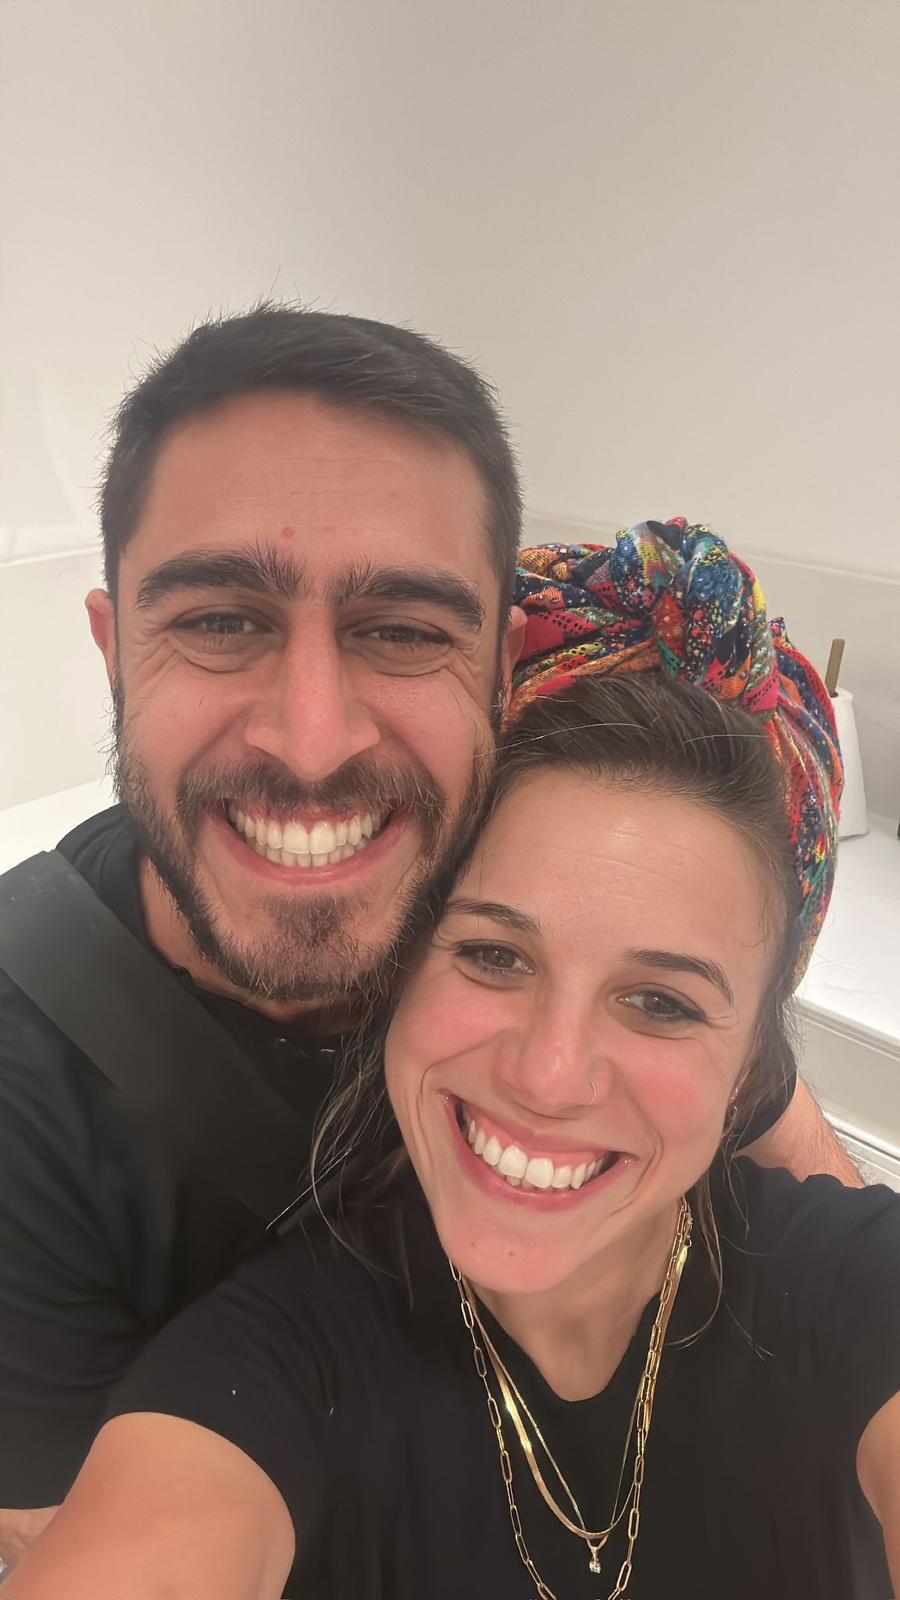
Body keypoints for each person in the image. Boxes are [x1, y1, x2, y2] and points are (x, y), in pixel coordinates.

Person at [0, 300, 856, 1566]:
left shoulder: (528, 871)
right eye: (221, 620)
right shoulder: (28, 1096)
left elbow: (829, 1244)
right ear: (114, 648)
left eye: (401, 631)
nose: (312, 741)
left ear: (496, 668)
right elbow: (72, 1537)